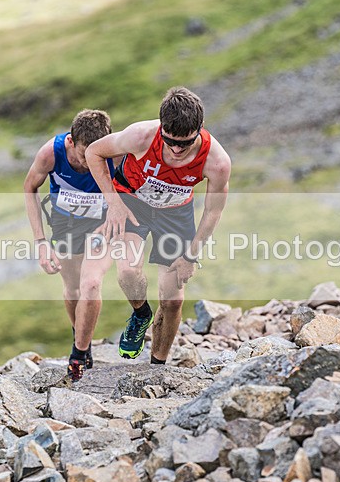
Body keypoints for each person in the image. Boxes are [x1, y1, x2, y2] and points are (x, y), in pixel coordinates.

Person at [85, 87, 231, 364]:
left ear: (199, 130)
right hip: (132, 202)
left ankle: (157, 365)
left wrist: (191, 255)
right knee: (128, 271)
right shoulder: (140, 135)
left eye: (185, 143)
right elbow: (94, 152)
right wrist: (114, 203)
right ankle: (141, 314)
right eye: (169, 141)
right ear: (161, 127)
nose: (176, 150)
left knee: (173, 299)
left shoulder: (217, 162)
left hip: (175, 214)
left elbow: (213, 211)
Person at [24, 109, 116, 381]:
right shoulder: (51, 153)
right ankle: (82, 339)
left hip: (102, 225)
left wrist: (113, 219)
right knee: (73, 287)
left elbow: (132, 190)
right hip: (65, 225)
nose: (90, 163)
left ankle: (78, 353)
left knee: (91, 284)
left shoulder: (116, 153)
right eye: (83, 155)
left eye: (95, 156)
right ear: (70, 143)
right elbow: (29, 188)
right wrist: (41, 242)